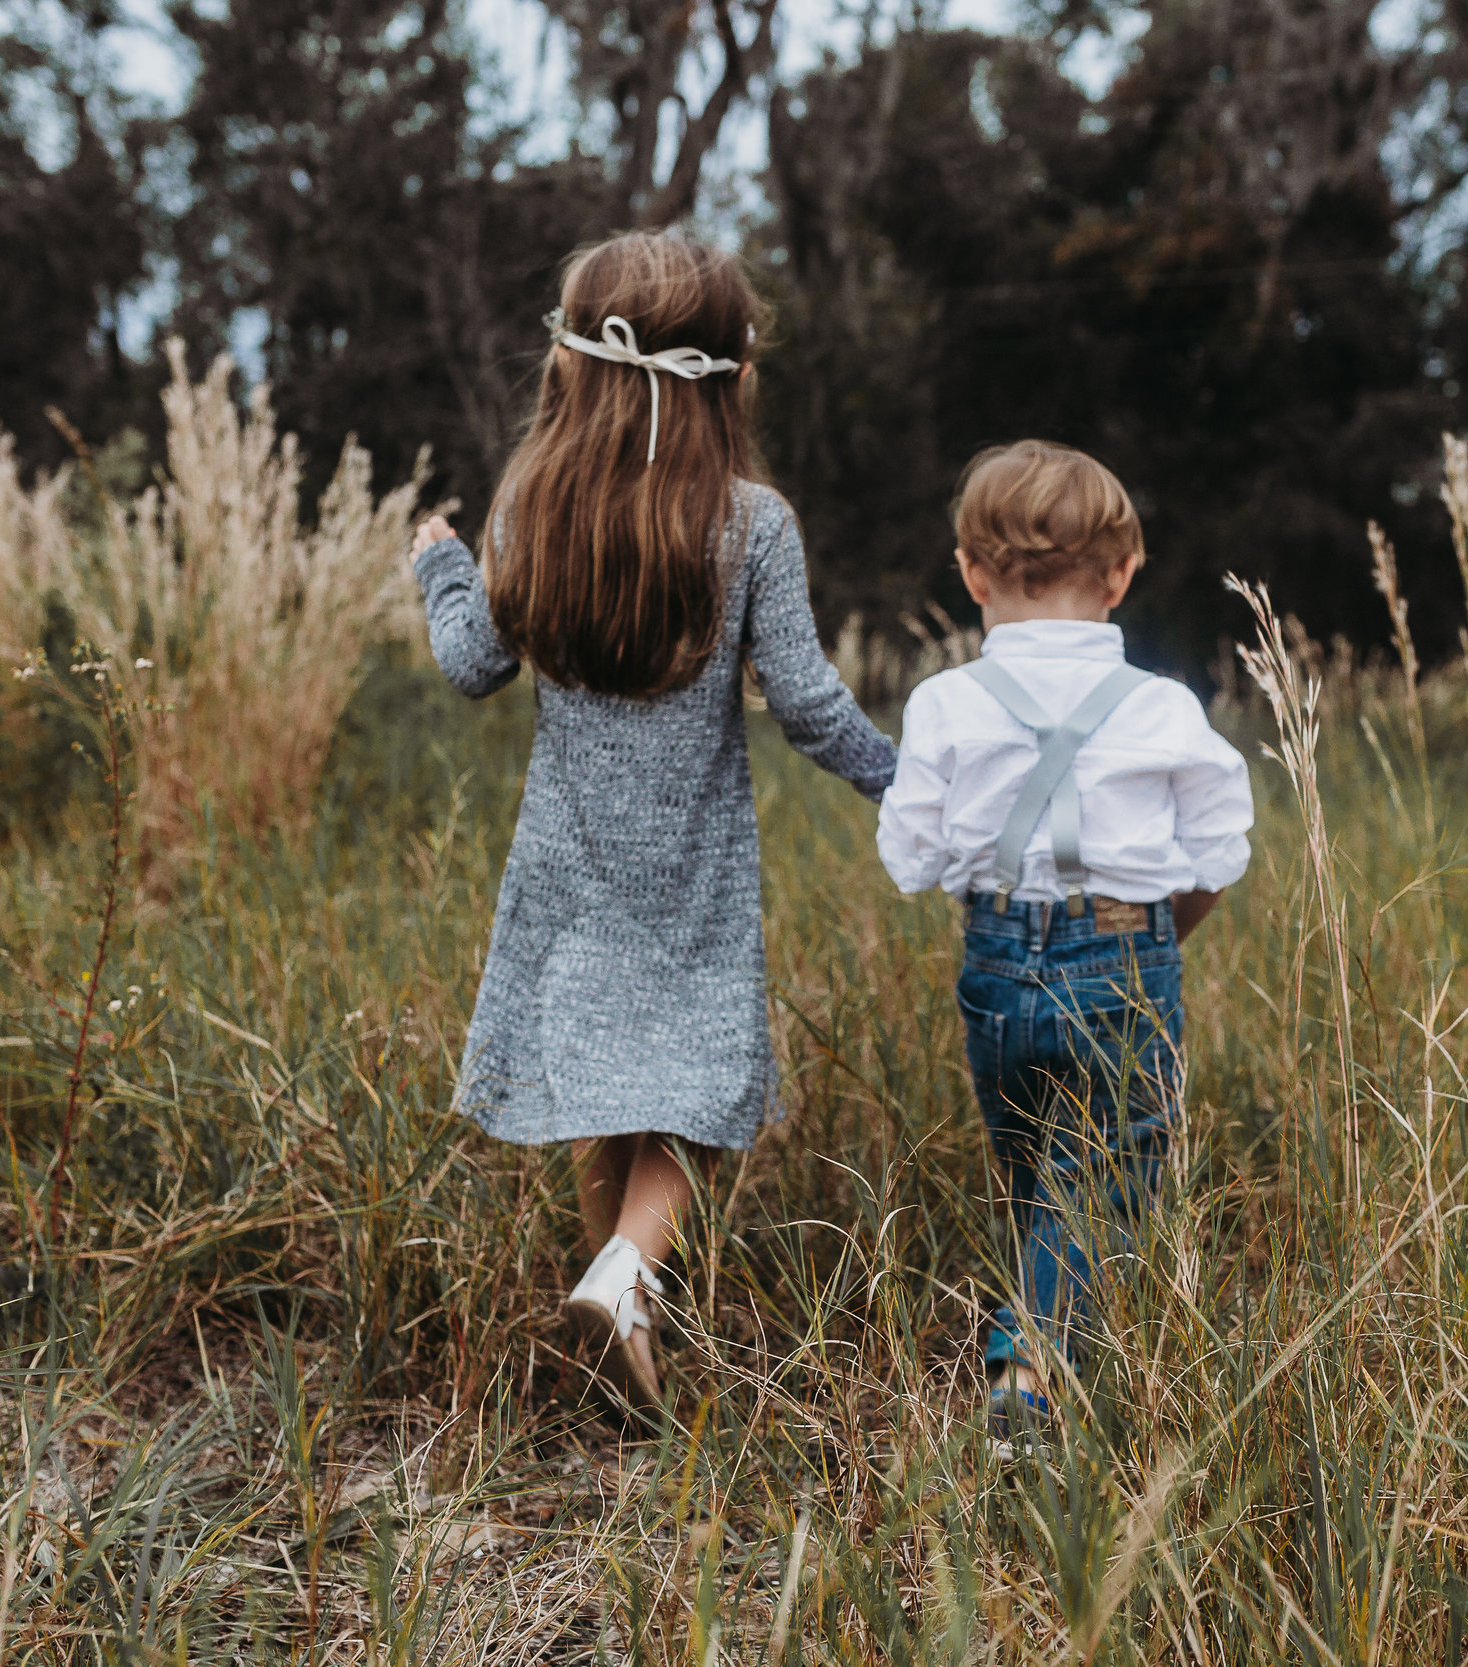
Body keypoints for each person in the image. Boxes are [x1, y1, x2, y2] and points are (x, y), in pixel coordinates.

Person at [409, 232, 896, 1409]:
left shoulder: (531, 502)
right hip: (692, 868)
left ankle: (617, 1309)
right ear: (731, 380)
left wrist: (437, 567)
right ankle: (627, 1279)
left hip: (567, 863)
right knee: (701, 1085)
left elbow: (474, 663)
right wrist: (911, 780)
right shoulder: (752, 522)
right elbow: (810, 704)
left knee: (597, 1085)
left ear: (572, 368)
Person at [875, 440, 1252, 1455]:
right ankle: (1029, 1378)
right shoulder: (1164, 706)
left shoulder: (944, 702)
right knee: (1103, 1179)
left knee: (1036, 1172)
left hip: (995, 962)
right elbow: (1221, 848)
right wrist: (1153, 937)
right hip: (1128, 956)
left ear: (971, 573)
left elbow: (909, 859)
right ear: (1124, 574)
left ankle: (1037, 1363)